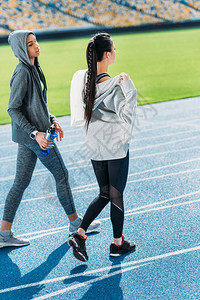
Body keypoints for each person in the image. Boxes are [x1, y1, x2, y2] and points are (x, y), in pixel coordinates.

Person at [0, 30, 100, 249]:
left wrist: (52, 119)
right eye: (29, 44)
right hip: (34, 137)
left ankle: (4, 233)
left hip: (32, 135)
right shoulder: (23, 72)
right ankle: (75, 223)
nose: (36, 46)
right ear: (20, 49)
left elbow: (36, 106)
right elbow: (13, 109)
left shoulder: (34, 68)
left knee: (20, 182)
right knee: (62, 174)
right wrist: (36, 134)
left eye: (35, 41)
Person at [67, 33, 137, 261]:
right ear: (107, 55)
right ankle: (117, 243)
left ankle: (80, 233)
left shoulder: (84, 83)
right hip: (115, 147)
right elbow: (127, 116)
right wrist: (129, 87)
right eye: (114, 48)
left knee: (104, 193)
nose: (115, 51)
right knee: (115, 194)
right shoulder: (115, 85)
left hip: (95, 146)